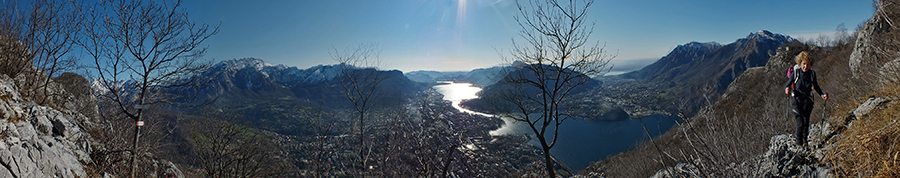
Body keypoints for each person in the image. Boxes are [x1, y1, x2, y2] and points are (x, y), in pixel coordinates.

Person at [784, 51, 828, 147]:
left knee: (806, 122)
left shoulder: (812, 74)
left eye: (808, 64)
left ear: (810, 64)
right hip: (796, 102)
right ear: (800, 63)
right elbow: (788, 84)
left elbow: (816, 86)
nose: (805, 66)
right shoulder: (795, 73)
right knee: (800, 123)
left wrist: (822, 95)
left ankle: (805, 140)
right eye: (804, 64)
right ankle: (798, 143)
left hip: (807, 102)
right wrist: (787, 89)